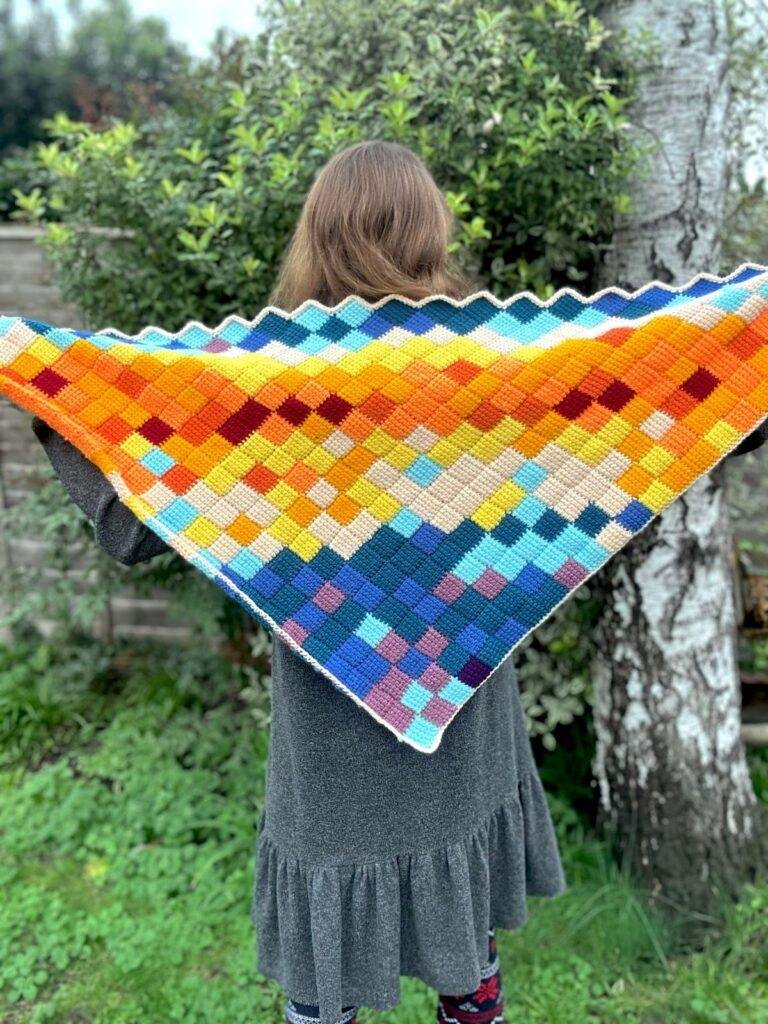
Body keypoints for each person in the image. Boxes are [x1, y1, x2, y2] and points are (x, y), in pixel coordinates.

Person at [30, 140, 768, 1024]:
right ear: (427, 229)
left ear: (318, 234)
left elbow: (126, 502)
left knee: (322, 992)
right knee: (471, 982)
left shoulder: (265, 392)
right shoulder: (491, 374)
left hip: (328, 763)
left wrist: (43, 378)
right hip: (464, 737)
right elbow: (668, 402)